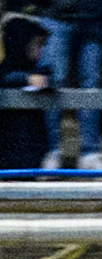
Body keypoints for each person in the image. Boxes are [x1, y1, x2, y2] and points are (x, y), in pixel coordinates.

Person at [34, 0, 102, 169]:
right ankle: (52, 150)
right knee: (51, 82)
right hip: (56, 17)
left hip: (93, 21)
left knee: (91, 86)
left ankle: (90, 153)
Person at [0, 13, 52, 170]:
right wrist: (25, 79)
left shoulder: (40, 70)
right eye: (37, 45)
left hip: (32, 159)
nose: (40, 51)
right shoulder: (7, 70)